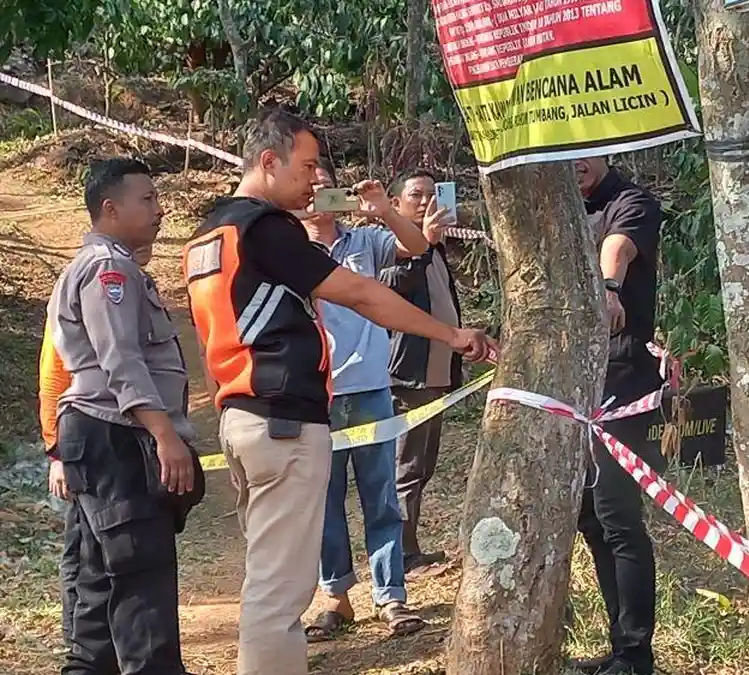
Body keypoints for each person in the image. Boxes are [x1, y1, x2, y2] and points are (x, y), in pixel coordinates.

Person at [183, 108, 494, 675]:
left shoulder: (208, 236)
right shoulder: (266, 229)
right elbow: (360, 295)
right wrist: (451, 333)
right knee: (281, 591)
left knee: (269, 574)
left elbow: (209, 341)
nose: (313, 181)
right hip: (282, 420)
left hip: (242, 416)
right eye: (305, 167)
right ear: (269, 161)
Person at [45, 158, 202, 675]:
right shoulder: (108, 270)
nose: (159, 210)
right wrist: (165, 436)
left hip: (97, 433)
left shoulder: (107, 267)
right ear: (110, 209)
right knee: (142, 574)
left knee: (98, 576)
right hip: (117, 434)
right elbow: (120, 359)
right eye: (148, 200)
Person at [299, 160, 434, 641]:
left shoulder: (365, 242)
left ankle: (391, 595)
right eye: (308, 184)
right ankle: (335, 596)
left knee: (382, 497)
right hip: (317, 395)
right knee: (325, 500)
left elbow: (418, 248)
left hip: (373, 389)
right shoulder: (286, 248)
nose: (317, 193)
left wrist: (384, 212)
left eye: (324, 185)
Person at [568, 156, 665, 675]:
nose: (577, 163)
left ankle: (635, 655)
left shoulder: (631, 202)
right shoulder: (565, 208)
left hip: (622, 386)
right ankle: (619, 647)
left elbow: (618, 247)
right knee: (591, 518)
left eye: (587, 152)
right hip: (576, 386)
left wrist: (609, 289)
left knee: (619, 517)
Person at [43, 242, 156, 651]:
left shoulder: (135, 285)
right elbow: (54, 376)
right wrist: (55, 452)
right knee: (83, 555)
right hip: (89, 438)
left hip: (116, 436)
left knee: (101, 557)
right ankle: (80, 647)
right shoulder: (92, 282)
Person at [378, 169, 461, 576]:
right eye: (416, 196)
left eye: (433, 194)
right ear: (394, 205)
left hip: (436, 375)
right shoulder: (390, 248)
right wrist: (423, 244)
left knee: (421, 466)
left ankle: (410, 547)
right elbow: (391, 291)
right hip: (407, 376)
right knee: (405, 467)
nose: (426, 202)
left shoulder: (436, 248)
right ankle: (402, 557)